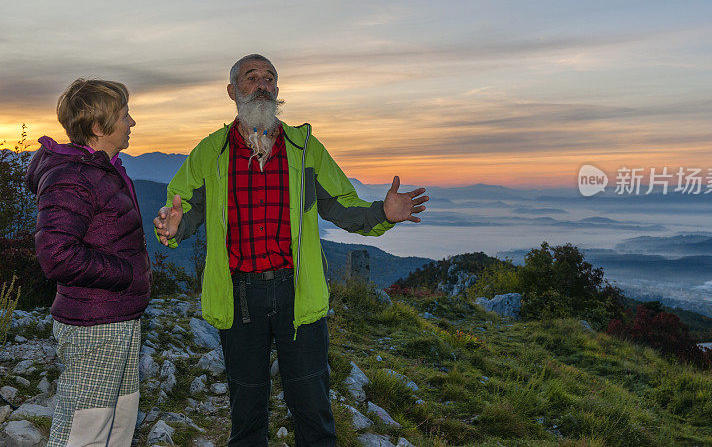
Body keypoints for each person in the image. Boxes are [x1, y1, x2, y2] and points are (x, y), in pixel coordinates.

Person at [154, 54, 428, 446]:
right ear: (233, 91)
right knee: (246, 415)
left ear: (278, 91)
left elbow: (341, 204)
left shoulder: (304, 149)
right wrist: (174, 227)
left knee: (313, 411)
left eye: (270, 79)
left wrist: (381, 213)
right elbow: (185, 209)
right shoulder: (210, 152)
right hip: (239, 296)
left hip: (296, 292)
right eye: (252, 78)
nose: (263, 85)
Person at [26, 79, 150, 446]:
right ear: (98, 128)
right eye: (125, 115)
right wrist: (128, 273)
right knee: (85, 429)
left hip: (118, 317)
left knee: (119, 420)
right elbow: (57, 255)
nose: (132, 123)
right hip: (95, 324)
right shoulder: (73, 177)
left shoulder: (102, 169)